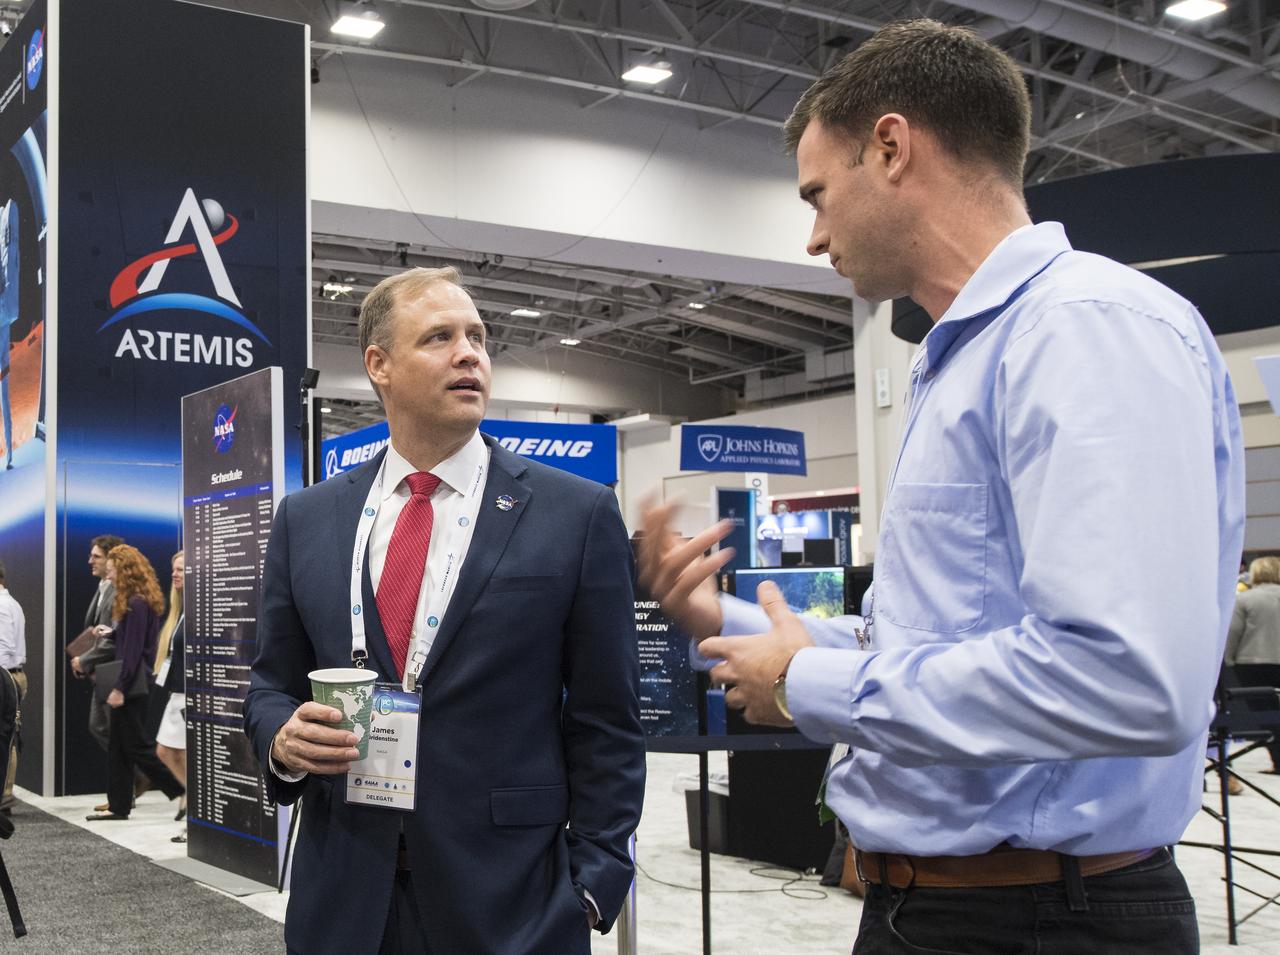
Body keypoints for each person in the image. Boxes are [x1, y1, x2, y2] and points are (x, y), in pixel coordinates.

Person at [639, 20, 1243, 954]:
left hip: (1043, 917)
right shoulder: (953, 362)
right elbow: (932, 637)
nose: (813, 237)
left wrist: (804, 681)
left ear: (890, 147)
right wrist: (725, 621)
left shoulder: (1084, 329)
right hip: (931, 907)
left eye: (818, 194)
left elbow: (1126, 678)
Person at [244, 266, 644, 955]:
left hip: (514, 908)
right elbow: (269, 683)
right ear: (380, 365)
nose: (470, 353)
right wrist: (282, 739)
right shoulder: (308, 519)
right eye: (439, 336)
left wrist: (593, 884)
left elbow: (608, 717)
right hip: (343, 898)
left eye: (478, 337)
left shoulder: (573, 514)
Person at [84, 545, 184, 821]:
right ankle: (119, 805)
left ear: (124, 569)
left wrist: (119, 687)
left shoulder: (136, 603)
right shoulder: (134, 600)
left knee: (136, 744)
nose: (108, 570)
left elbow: (134, 651)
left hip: (131, 683)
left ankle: (181, 790)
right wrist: (112, 633)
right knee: (119, 745)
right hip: (132, 681)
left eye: (113, 566)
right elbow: (131, 641)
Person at [1225, 555, 1280, 774]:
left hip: (1252, 663)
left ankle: (1277, 758)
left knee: (1265, 713)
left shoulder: (1245, 599)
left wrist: (1228, 661)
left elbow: (1233, 633)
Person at [73, 534, 124, 754]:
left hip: (115, 671)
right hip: (101, 671)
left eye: (96, 556)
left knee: (112, 729)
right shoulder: (103, 587)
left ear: (112, 559)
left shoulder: (120, 591)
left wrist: (84, 659)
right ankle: (130, 776)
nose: (90, 561)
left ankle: (136, 775)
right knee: (100, 727)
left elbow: (114, 638)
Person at [153, 550, 188, 829]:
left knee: (172, 750)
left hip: (189, 694)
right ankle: (192, 796)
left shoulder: (200, 610)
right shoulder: (180, 611)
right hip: (177, 692)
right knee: (166, 750)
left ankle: (194, 800)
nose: (174, 574)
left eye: (181, 569)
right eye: (173, 569)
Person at [0, 560, 25, 812]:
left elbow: (4, 647)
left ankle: (5, 794)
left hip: (6, 676)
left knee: (7, 736)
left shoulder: (2, 606)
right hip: (9, 675)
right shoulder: (9, 603)